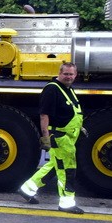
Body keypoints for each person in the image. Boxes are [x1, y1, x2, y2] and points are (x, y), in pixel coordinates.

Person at [18, 62, 85, 214]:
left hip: (69, 136)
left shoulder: (68, 89)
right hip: (59, 136)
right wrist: (45, 138)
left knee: (55, 165)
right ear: (60, 73)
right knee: (67, 170)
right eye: (66, 74)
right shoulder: (52, 89)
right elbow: (44, 115)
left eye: (71, 74)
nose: (68, 77)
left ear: (75, 75)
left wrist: (80, 128)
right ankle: (67, 203)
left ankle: (27, 189)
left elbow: (70, 112)